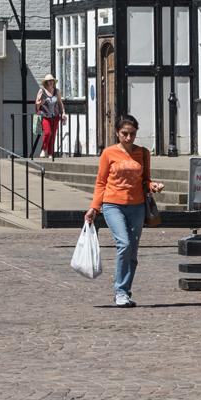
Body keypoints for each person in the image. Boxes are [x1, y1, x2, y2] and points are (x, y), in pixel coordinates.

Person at [83, 113, 165, 308]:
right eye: (124, 133)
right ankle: (119, 290)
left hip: (136, 205)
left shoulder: (142, 153)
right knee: (124, 243)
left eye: (132, 134)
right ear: (117, 133)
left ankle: (125, 291)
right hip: (113, 204)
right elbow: (101, 182)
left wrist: (153, 186)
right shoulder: (108, 153)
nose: (128, 138)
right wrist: (94, 208)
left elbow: (146, 180)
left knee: (132, 252)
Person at [35, 74, 64, 159]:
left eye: (52, 81)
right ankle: (43, 149)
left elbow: (60, 103)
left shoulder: (56, 91)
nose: (50, 82)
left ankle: (51, 153)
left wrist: (63, 113)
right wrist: (40, 102)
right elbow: (37, 105)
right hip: (45, 115)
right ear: (46, 82)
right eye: (49, 81)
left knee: (53, 135)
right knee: (48, 132)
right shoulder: (42, 91)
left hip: (55, 116)